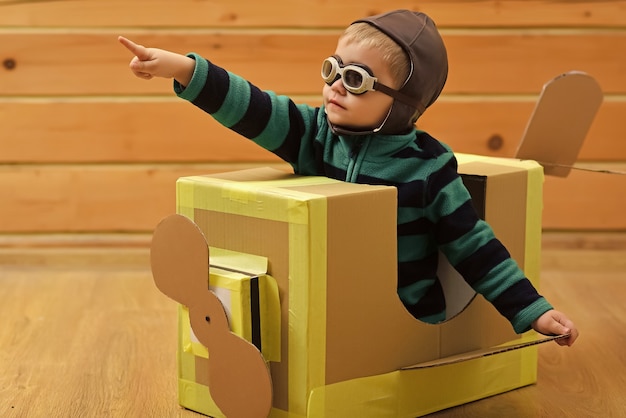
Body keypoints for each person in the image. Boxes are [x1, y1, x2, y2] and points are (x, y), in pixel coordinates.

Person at [119, 9, 578, 346]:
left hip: (405, 319)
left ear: (401, 102)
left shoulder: (428, 167)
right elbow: (255, 107)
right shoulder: (315, 135)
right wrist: (181, 68)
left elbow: (473, 246)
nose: (335, 85)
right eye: (332, 69)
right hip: (331, 311)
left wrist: (531, 310)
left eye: (356, 79)